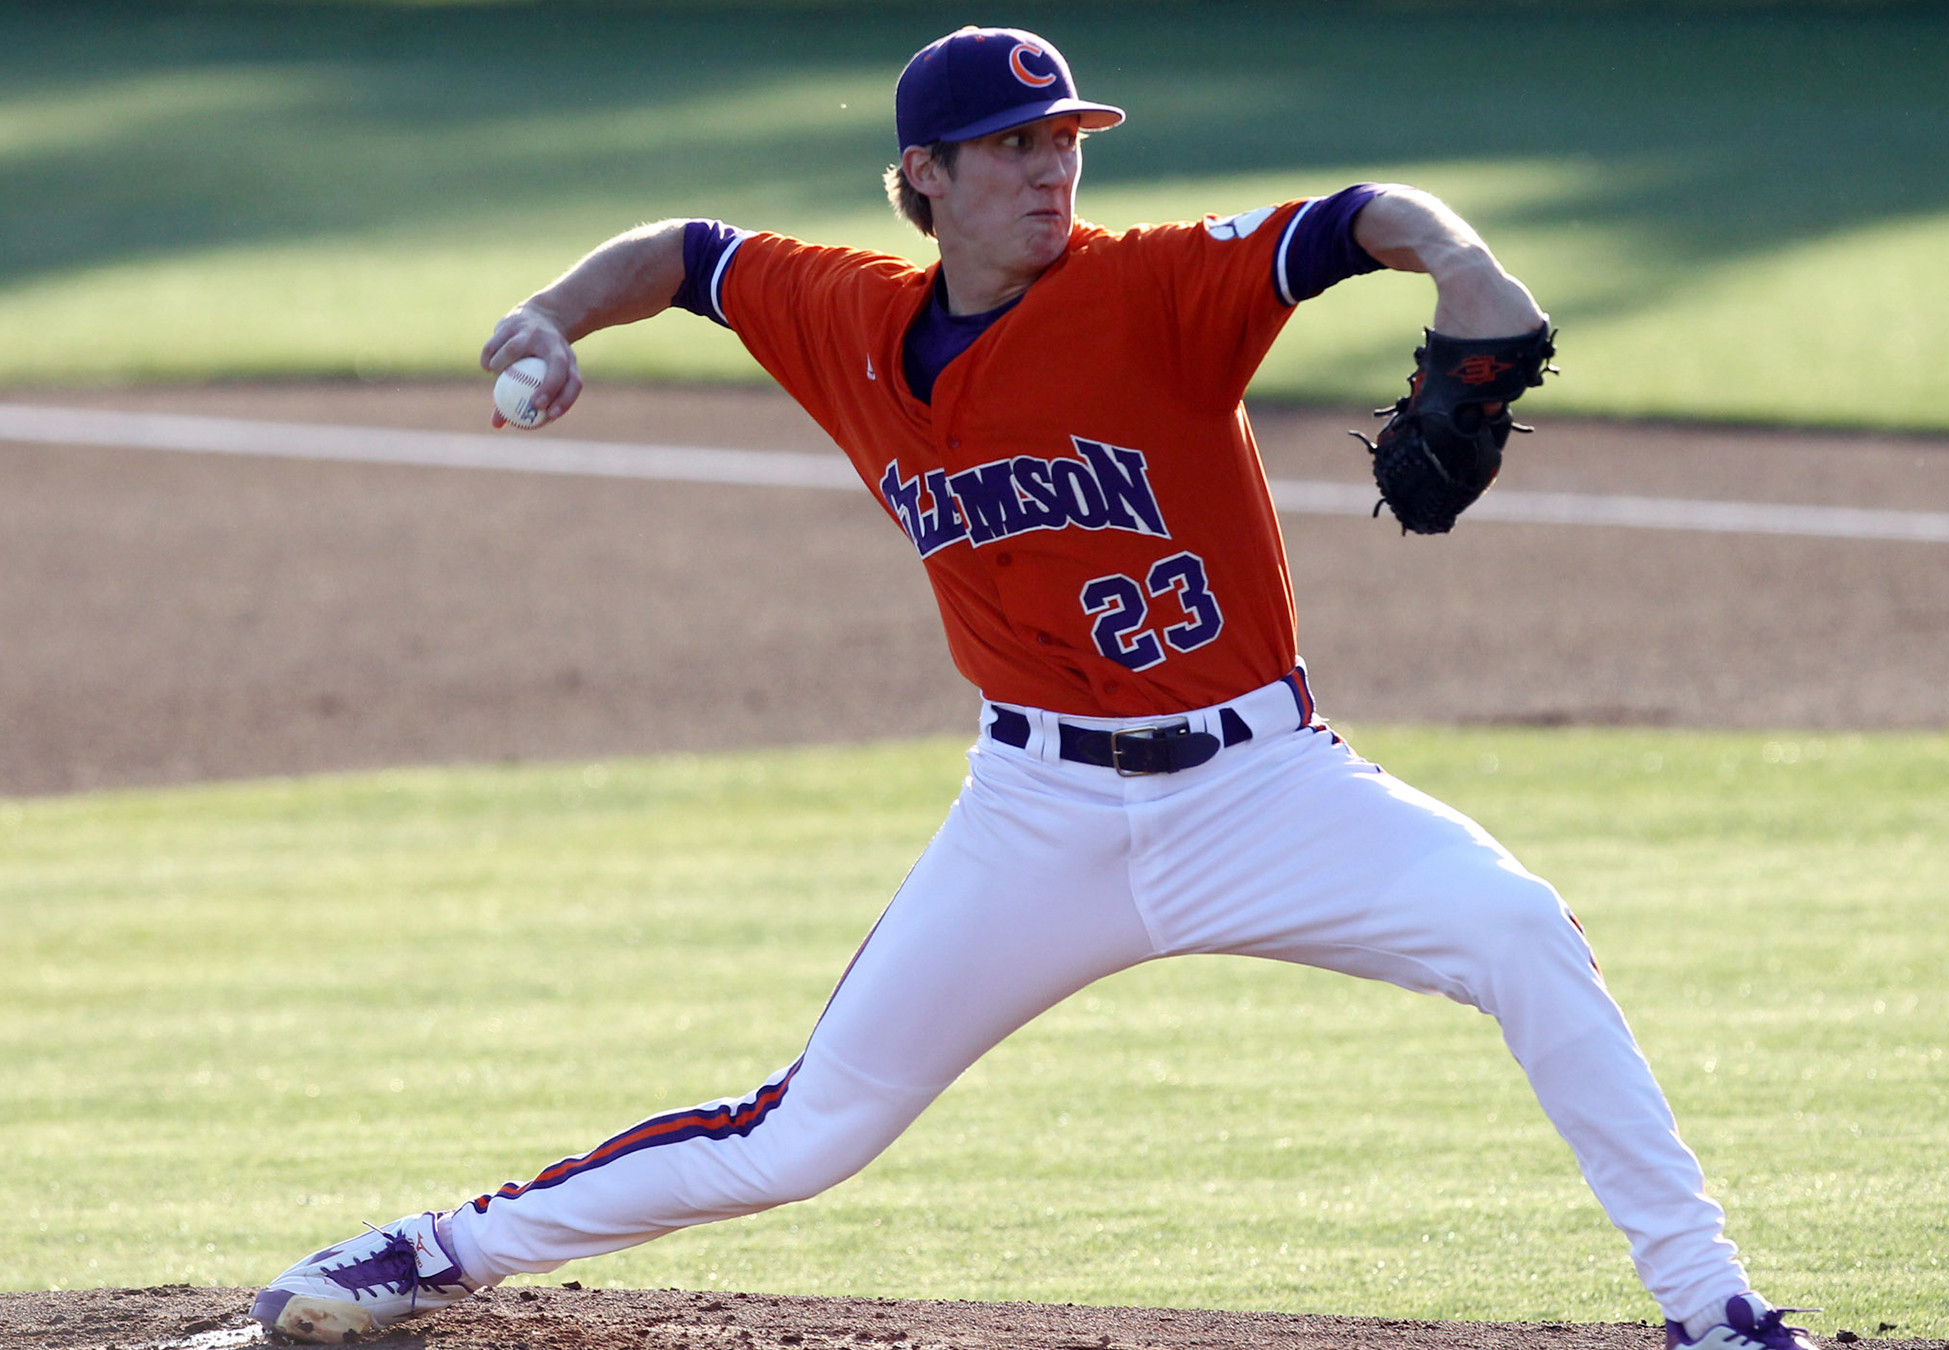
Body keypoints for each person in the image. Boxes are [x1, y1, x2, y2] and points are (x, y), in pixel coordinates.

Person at [248, 26, 1815, 1350]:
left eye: (1061, 136)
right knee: (805, 1135)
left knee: (1517, 928)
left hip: (1264, 789)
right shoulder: (847, 314)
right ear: (922, 177)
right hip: (1036, 811)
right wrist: (551, 312)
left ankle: (1712, 1307)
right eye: (1005, 145)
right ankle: (433, 1248)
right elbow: (687, 255)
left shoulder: (1152, 293)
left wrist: (1467, 271)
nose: (1048, 165)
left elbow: (1369, 216)